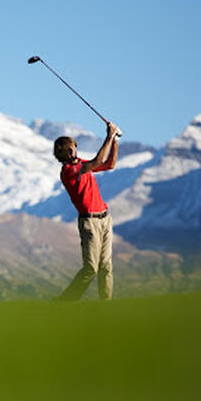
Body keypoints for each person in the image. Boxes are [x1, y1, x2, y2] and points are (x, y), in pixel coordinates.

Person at [54, 122, 119, 301]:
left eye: (73, 147)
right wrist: (109, 136)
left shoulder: (82, 164)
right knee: (91, 268)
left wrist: (114, 142)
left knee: (106, 265)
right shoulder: (69, 171)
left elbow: (109, 164)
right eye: (70, 149)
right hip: (89, 222)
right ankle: (65, 301)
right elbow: (98, 161)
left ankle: (106, 305)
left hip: (105, 218)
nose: (73, 151)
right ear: (65, 154)